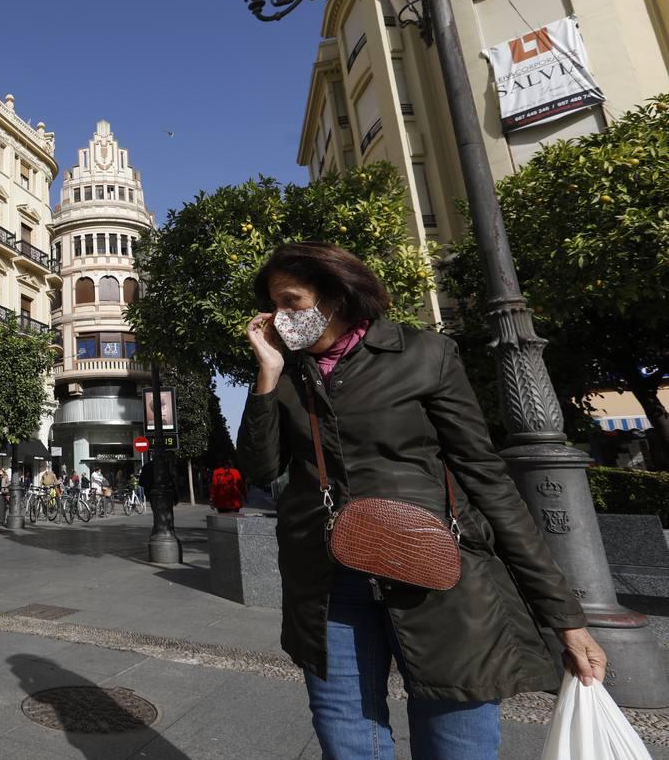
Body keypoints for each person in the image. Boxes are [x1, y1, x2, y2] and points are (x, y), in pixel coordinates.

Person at [236, 242, 603, 759]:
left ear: (337, 296)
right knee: (347, 741)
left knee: (456, 740)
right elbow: (261, 468)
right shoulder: (288, 374)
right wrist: (268, 374)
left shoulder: (424, 354)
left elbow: (485, 477)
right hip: (328, 583)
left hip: (437, 573)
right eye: (276, 306)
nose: (281, 317)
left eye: (292, 301)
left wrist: (565, 616)